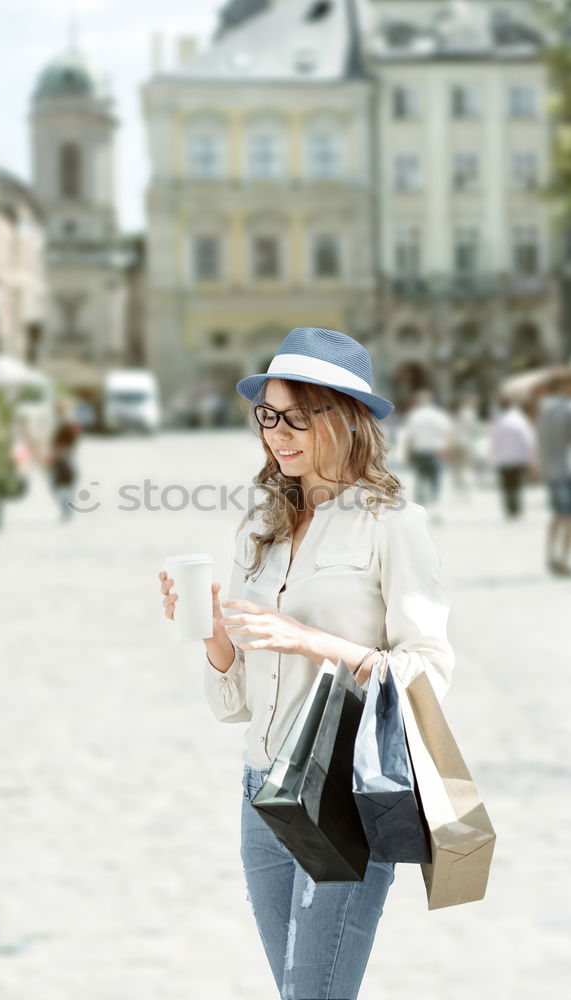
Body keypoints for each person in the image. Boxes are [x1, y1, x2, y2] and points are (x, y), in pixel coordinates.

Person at [159, 328, 455, 999]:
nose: (277, 435)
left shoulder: (392, 523)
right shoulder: (259, 526)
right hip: (259, 791)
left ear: (343, 418)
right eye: (267, 416)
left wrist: (309, 640)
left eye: (295, 417)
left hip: (343, 793)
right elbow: (233, 702)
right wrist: (211, 634)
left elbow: (428, 671)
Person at [399, 389, 453, 520]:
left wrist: (408, 453)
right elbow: (447, 433)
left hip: (420, 452)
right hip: (435, 451)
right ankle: (436, 509)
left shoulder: (414, 415)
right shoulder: (438, 415)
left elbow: (409, 437)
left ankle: (419, 511)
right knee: (435, 481)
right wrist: (447, 449)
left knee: (420, 480)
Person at [537, 376, 571, 575]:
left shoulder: (545, 409)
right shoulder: (567, 409)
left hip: (550, 468)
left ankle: (550, 555)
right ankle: (564, 559)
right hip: (566, 467)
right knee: (568, 517)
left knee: (558, 515)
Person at [489, 395, 536, 519]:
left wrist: (493, 458)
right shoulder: (520, 421)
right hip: (519, 458)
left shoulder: (499, 421)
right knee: (517, 485)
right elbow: (528, 440)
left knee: (507, 486)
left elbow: (494, 442)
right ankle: (517, 508)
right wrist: (530, 458)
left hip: (503, 459)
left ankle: (510, 508)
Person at [47, 398, 82, 520]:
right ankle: (66, 509)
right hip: (59, 458)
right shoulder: (57, 422)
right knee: (57, 487)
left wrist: (60, 452)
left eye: (60, 409)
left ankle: (67, 510)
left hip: (65, 457)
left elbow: (71, 441)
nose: (57, 411)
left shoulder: (68, 424)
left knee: (64, 485)